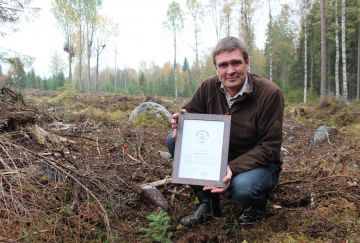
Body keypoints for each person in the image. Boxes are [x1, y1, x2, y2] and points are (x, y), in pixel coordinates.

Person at [167, 36, 284, 228]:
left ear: (247, 63)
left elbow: (270, 147)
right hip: (219, 156)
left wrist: (232, 168)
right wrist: (180, 119)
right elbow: (191, 112)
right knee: (175, 141)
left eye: (236, 63)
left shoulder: (269, 93)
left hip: (257, 164)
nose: (230, 71)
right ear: (216, 68)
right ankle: (209, 205)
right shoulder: (208, 86)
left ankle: (256, 206)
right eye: (223, 65)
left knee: (244, 187)